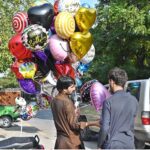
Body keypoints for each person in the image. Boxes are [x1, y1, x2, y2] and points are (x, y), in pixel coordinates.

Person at [97, 67, 138, 149]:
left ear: (112, 81)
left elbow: (105, 128)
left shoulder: (108, 102)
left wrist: (99, 145)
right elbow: (132, 125)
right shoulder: (134, 100)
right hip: (129, 144)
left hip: (113, 144)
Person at [51, 76, 87, 149]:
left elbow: (63, 118)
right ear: (64, 89)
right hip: (70, 142)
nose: (74, 89)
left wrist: (74, 113)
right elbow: (74, 125)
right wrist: (92, 123)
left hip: (60, 141)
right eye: (72, 87)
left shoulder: (54, 100)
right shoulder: (67, 102)